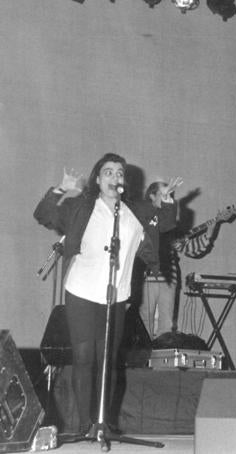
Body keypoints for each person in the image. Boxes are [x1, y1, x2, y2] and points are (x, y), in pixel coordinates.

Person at [33, 153, 161, 435]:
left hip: (116, 296)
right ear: (97, 179)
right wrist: (61, 189)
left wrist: (167, 204)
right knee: (84, 357)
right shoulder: (83, 207)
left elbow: (165, 223)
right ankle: (83, 425)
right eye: (108, 172)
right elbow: (44, 215)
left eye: (119, 172)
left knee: (109, 360)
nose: (114, 177)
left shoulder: (134, 213)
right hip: (81, 290)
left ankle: (104, 423)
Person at [135, 179, 182, 339]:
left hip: (168, 276)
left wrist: (168, 201)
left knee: (166, 323)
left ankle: (163, 360)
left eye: (169, 194)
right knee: (144, 320)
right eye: (162, 194)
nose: (167, 197)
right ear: (151, 195)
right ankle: (144, 360)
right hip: (147, 276)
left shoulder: (167, 218)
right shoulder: (142, 212)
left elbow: (167, 223)